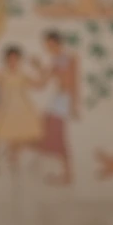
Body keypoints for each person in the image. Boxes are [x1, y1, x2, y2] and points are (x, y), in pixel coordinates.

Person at [0, 46, 44, 172]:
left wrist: (39, 67)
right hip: (7, 106)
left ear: (19, 60)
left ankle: (14, 158)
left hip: (22, 107)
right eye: (10, 59)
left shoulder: (22, 74)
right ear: (6, 60)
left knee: (20, 134)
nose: (13, 61)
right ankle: (0, 155)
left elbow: (38, 85)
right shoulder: (1, 73)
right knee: (2, 132)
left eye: (15, 59)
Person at [29, 31, 79, 185]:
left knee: (57, 137)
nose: (48, 48)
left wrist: (75, 104)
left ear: (57, 43)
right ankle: (59, 171)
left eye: (50, 44)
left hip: (63, 101)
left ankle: (67, 175)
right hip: (57, 99)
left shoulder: (68, 58)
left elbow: (73, 82)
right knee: (42, 129)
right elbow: (44, 81)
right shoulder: (57, 59)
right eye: (47, 45)